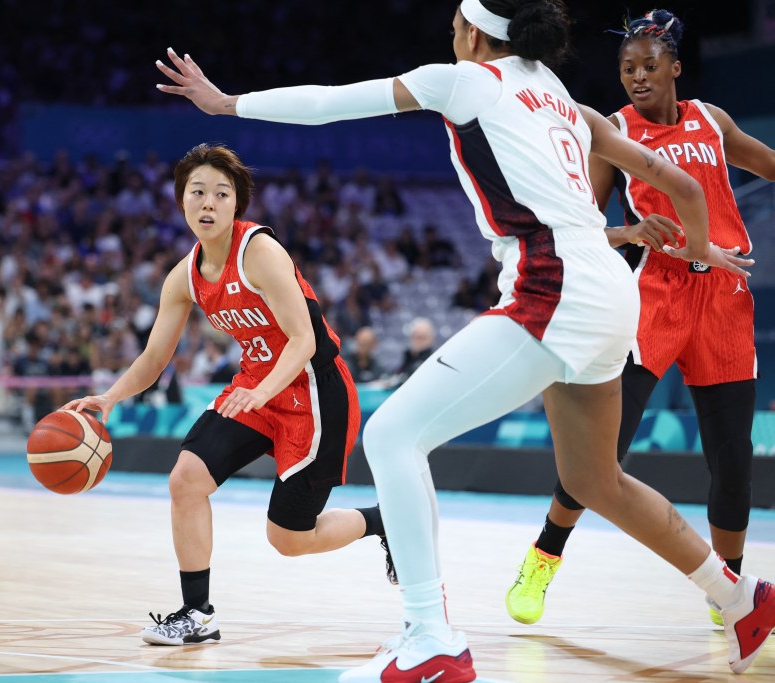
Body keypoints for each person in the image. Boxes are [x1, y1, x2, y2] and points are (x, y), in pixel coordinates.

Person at [155, 0, 773, 680]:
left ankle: (431, 637)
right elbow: (680, 181)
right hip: (612, 292)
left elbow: (332, 103)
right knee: (598, 479)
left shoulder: (467, 80)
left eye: (455, 27)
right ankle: (741, 595)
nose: (450, 36)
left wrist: (226, 103)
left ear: (475, 34)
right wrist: (699, 250)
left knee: (392, 435)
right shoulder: (557, 92)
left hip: (555, 287)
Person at [505, 8, 775, 628]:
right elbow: (584, 226)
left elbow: (765, 163)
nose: (637, 77)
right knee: (603, 451)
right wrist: (629, 230)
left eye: (650, 66)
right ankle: (543, 557)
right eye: (627, 69)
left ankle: (728, 589)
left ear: (676, 68)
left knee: (732, 458)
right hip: (653, 294)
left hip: (725, 301)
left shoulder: (711, 119)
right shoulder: (617, 132)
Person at [63, 144, 393, 648]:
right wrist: (108, 398)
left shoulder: (259, 251)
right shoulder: (184, 276)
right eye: (198, 193)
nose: (209, 203)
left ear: (237, 204)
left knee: (288, 539)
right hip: (256, 387)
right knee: (186, 479)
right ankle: (196, 615)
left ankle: (382, 521)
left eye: (222, 193)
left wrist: (260, 392)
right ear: (182, 202)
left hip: (315, 391)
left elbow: (304, 340)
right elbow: (154, 359)